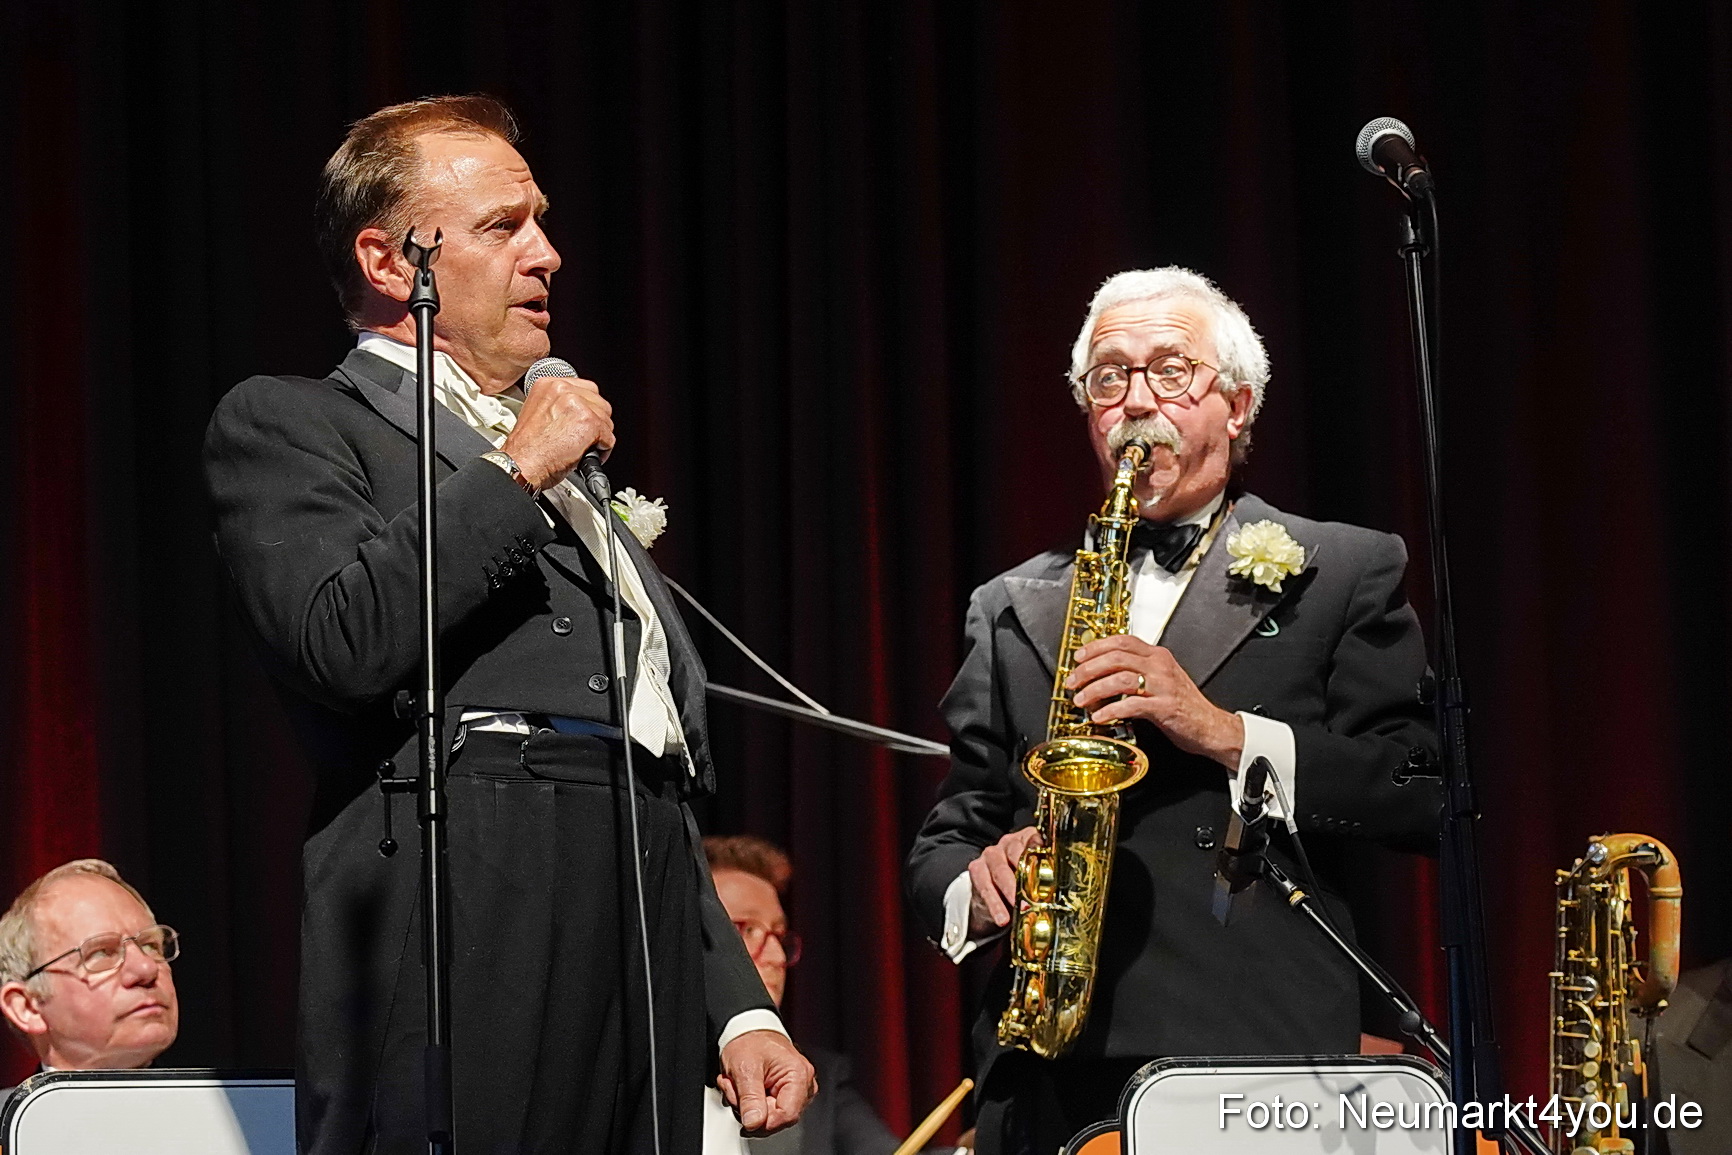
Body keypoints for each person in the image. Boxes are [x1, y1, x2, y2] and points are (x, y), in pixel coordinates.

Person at [203, 95, 812, 1154]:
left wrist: (737, 1002)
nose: (549, 254)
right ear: (393, 264)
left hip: (639, 914)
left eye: (540, 220)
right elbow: (337, 639)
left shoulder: (552, 445)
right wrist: (518, 467)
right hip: (465, 897)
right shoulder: (292, 422)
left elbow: (649, 755)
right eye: (502, 226)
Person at [904, 268, 1444, 1155]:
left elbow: (1419, 786)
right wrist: (980, 879)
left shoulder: (1346, 566)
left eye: (1170, 369)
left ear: (1237, 403)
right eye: (1109, 378)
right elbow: (948, 835)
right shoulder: (1007, 602)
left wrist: (1226, 732)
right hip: (1051, 1067)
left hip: (1253, 1060)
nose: (1137, 401)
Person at [702, 836, 905, 1155]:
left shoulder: (817, 1077)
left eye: (778, 935)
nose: (776, 956)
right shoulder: (629, 1074)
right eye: (747, 930)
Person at [0, 859, 180, 1099]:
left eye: (150, 945)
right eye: (102, 952)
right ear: (28, 1007)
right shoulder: (10, 1132)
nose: (146, 969)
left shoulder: (236, 1120)